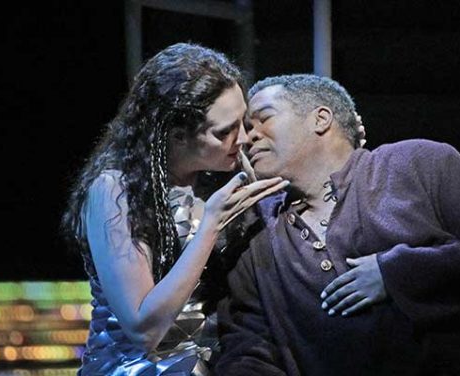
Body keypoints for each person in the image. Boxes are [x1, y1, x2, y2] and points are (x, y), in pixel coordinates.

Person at [214, 74, 460, 375]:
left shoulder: (417, 163)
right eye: (246, 128)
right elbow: (247, 341)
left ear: (320, 119)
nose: (247, 138)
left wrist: (395, 274)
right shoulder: (256, 228)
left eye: (263, 118)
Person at [60, 43, 289, 375]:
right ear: (177, 136)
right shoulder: (116, 189)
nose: (243, 138)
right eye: (225, 131)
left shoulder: (217, 176)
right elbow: (143, 330)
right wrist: (210, 225)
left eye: (244, 120)